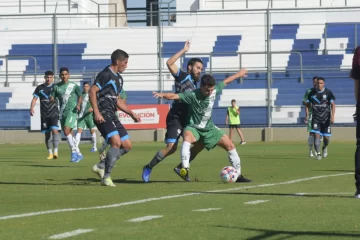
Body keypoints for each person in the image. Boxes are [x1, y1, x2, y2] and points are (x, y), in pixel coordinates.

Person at [153, 69, 251, 183]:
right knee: (187, 137)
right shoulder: (192, 95)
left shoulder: (214, 90)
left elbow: (226, 81)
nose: (210, 92)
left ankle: (238, 175)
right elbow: (174, 96)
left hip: (209, 129)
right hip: (194, 127)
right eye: (207, 90)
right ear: (202, 86)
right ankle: (184, 168)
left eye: (212, 89)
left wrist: (239, 74)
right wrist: (162, 95)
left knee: (230, 145)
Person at [142, 40, 205, 183]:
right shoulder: (182, 76)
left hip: (188, 120)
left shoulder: (197, 86)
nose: (199, 70)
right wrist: (183, 51)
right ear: (190, 67)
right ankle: (148, 167)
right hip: (176, 118)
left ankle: (181, 168)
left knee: (200, 143)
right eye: (197, 67)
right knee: (171, 148)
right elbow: (169, 63)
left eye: (201, 68)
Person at [89, 49, 140, 187]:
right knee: (116, 143)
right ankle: (106, 177)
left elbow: (117, 100)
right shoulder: (106, 74)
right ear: (117, 61)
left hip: (112, 114)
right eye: (125, 62)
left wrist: (131, 113)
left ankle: (101, 165)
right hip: (103, 114)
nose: (126, 65)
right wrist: (96, 112)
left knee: (127, 146)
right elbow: (92, 90)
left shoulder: (119, 78)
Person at [50, 67, 83, 162]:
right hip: (62, 112)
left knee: (66, 130)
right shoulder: (56, 87)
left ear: (69, 75)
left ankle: (73, 152)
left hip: (72, 111)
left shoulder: (73, 85)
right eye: (62, 75)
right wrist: (52, 99)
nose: (64, 76)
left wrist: (78, 104)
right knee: (70, 133)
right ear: (60, 76)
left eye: (66, 74)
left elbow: (80, 95)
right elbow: (52, 96)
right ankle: (79, 153)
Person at [30, 70, 60, 160]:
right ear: (44, 77)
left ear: (53, 78)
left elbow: (61, 97)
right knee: (47, 134)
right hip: (44, 114)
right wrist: (31, 108)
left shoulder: (56, 87)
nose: (49, 79)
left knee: (55, 131)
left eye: (51, 77)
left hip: (54, 112)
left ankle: (56, 151)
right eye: (47, 77)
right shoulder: (40, 88)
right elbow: (35, 98)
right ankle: (50, 152)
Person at [306, 77, 335, 160]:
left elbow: (333, 105)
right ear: (316, 83)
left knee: (326, 138)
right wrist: (308, 113)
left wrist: (332, 116)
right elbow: (307, 104)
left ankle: (324, 147)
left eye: (321, 83)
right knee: (316, 135)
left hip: (326, 118)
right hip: (316, 118)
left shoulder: (328, 92)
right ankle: (318, 153)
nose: (319, 85)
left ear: (324, 84)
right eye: (318, 83)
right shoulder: (311, 93)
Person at [98, 88, 127, 161]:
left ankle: (103, 151)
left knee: (116, 138)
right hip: (106, 113)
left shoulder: (121, 90)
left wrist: (118, 100)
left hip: (114, 114)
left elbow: (123, 102)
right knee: (113, 138)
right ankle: (108, 158)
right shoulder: (105, 88)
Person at [75, 82, 97, 153]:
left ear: (89, 87)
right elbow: (78, 103)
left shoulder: (92, 94)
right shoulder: (80, 95)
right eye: (84, 86)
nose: (85, 88)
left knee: (92, 131)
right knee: (79, 131)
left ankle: (94, 146)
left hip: (89, 116)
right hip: (81, 116)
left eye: (87, 86)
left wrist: (93, 108)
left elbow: (97, 103)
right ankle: (76, 147)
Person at [303, 76, 318, 157]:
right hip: (312, 114)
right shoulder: (309, 91)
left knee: (318, 134)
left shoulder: (323, 92)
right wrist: (307, 115)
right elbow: (306, 104)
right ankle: (310, 150)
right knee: (311, 133)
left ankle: (317, 149)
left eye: (316, 82)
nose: (315, 83)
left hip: (320, 115)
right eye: (314, 82)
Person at [350, 46, 360, 121]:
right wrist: (353, 71)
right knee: (357, 90)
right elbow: (355, 61)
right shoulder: (358, 49)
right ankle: (358, 107)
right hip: (358, 70)